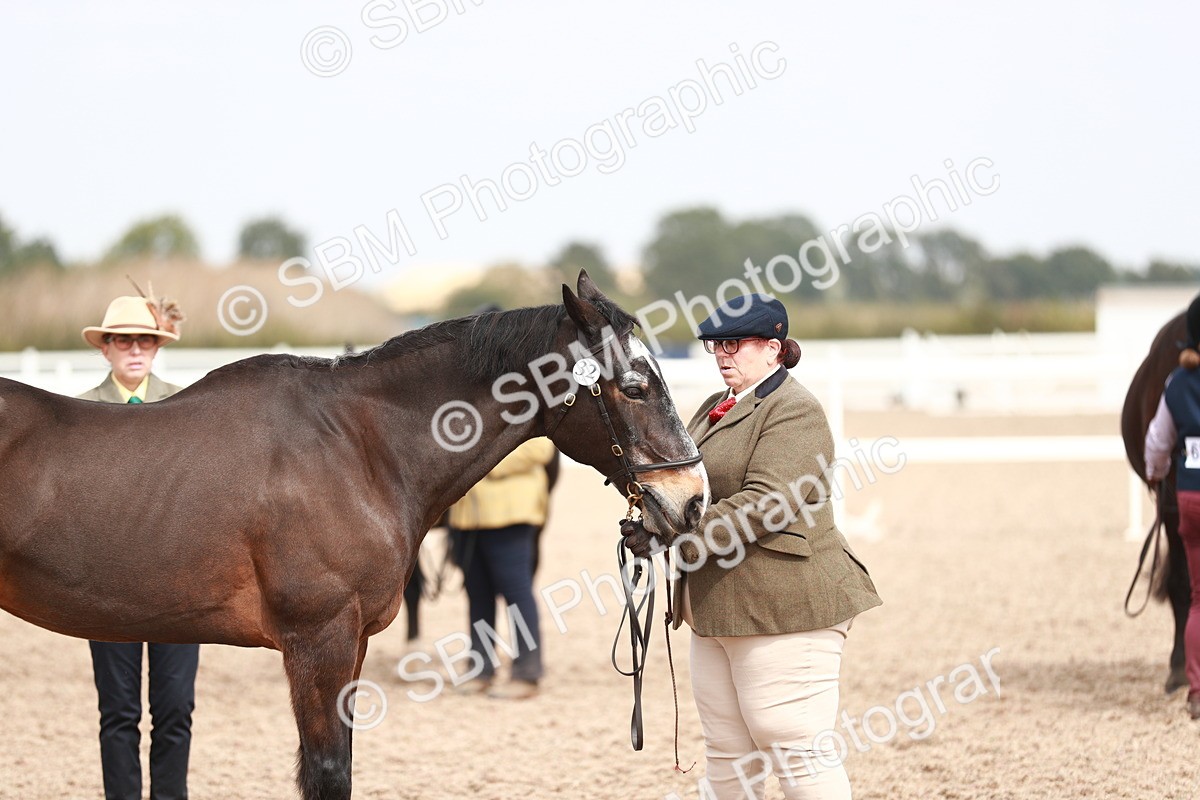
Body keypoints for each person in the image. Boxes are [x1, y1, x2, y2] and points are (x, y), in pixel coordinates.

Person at [623, 294, 882, 799]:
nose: (722, 354)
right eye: (716, 345)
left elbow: (767, 504)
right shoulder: (714, 407)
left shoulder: (795, 410)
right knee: (727, 753)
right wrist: (652, 512)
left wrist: (672, 531)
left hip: (784, 603)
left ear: (772, 348)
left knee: (796, 749)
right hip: (715, 605)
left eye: (735, 344)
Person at [79, 292, 199, 800]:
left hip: (179, 584)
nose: (135, 349)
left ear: (157, 346)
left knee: (175, 709)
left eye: (145, 340)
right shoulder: (79, 414)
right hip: (109, 585)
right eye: (124, 340)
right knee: (118, 711)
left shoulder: (188, 407)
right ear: (105, 347)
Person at [448, 436, 556, 699]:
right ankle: (480, 668)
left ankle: (527, 672)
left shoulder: (524, 412)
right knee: (477, 594)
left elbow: (540, 449)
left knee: (516, 592)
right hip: (467, 516)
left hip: (510, 513)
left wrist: (480, 463)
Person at [1144, 292, 1200, 720]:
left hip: (1191, 497)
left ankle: (1197, 691)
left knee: (1198, 600)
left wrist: (1157, 474)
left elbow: (1156, 444)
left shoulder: (1177, 383)